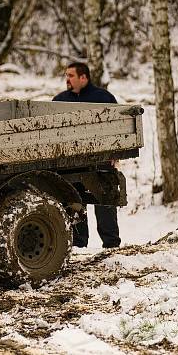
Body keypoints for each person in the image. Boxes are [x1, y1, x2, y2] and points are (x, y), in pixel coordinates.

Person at [53, 61, 121, 248]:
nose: (67, 79)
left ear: (84, 77)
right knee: (74, 201)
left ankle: (111, 244)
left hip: (100, 159)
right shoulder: (59, 100)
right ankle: (79, 245)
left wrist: (115, 151)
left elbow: (117, 126)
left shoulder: (103, 98)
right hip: (70, 162)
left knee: (105, 201)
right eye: (66, 75)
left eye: (71, 76)